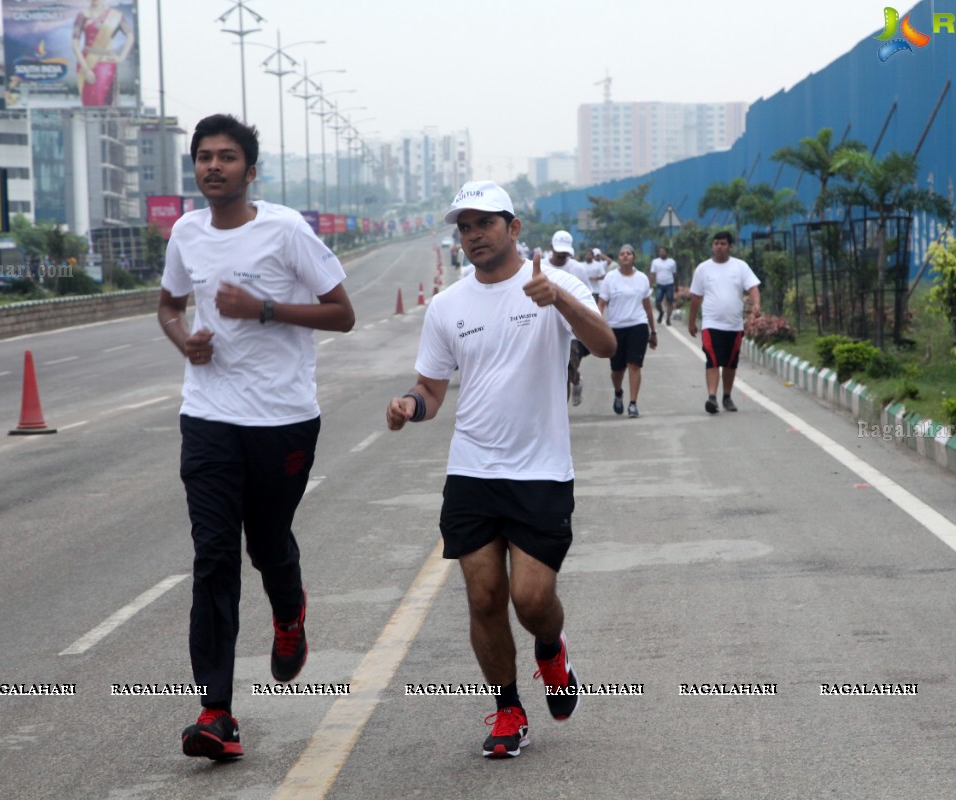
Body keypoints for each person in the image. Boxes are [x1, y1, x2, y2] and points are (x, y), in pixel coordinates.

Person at [386, 180, 614, 759]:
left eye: (484, 223)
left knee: (531, 600)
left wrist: (557, 301)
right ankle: (509, 709)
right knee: (484, 597)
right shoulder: (447, 305)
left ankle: (550, 645)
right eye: (464, 227)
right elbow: (433, 389)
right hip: (472, 469)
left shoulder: (555, 282)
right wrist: (410, 407)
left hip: (540, 470)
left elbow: (608, 344)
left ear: (513, 228)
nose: (472, 235)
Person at [158, 114, 355, 761]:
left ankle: (289, 611)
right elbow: (168, 303)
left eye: (227, 157)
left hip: (282, 421)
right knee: (213, 556)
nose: (213, 166)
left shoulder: (285, 230)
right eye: (204, 158)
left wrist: (264, 310)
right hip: (209, 419)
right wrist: (184, 338)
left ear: (250, 168)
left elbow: (343, 312)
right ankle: (216, 711)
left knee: (268, 545)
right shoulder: (186, 232)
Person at [688, 231, 761, 414]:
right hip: (711, 323)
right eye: (716, 243)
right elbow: (696, 297)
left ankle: (727, 396)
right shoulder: (703, 269)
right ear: (712, 246)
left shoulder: (740, 266)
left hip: (734, 324)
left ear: (730, 246)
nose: (719, 246)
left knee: (730, 362)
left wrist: (756, 304)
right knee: (712, 359)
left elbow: (752, 287)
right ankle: (712, 397)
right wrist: (692, 321)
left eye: (722, 243)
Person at [598, 244, 656, 418]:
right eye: (622, 254)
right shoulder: (610, 278)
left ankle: (633, 404)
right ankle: (618, 392)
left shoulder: (642, 279)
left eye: (628, 254)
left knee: (634, 365)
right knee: (617, 370)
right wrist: (595, 324)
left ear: (633, 257)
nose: (625, 256)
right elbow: (601, 304)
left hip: (638, 325)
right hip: (615, 327)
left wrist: (653, 332)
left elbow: (647, 307)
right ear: (618, 257)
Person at [547, 230, 591, 406]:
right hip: (546, 328)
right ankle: (560, 413)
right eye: (559, 251)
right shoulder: (541, 267)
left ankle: (577, 380)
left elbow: (587, 297)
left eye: (565, 251)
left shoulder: (577, 269)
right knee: (556, 374)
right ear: (551, 248)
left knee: (568, 370)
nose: (562, 255)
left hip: (571, 330)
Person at [72, 0, 135, 107]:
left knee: (101, 100)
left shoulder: (115, 15)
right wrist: (86, 69)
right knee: (88, 103)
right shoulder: (82, 16)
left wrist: (121, 57)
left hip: (106, 62)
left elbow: (130, 36)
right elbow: (74, 45)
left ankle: (104, 123)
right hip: (86, 62)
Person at [649, 245, 678, 326]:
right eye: (660, 251)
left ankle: (668, 318)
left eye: (663, 251)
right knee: (657, 302)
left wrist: (677, 285)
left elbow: (675, 274)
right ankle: (661, 312)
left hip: (670, 284)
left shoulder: (672, 262)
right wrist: (650, 284)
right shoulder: (655, 262)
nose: (661, 253)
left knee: (670, 302)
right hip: (660, 284)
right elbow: (652, 274)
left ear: (666, 252)